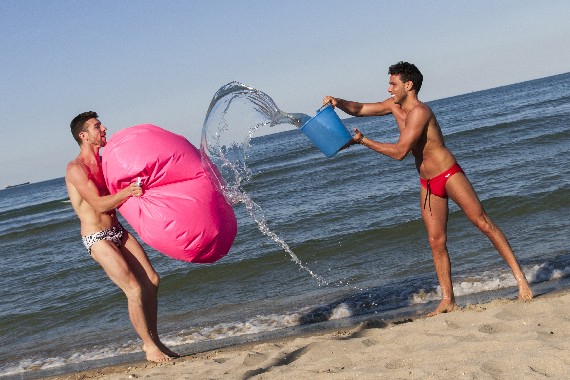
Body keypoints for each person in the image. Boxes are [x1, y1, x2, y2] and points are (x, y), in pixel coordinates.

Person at [323, 61, 533, 316]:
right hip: (428, 182)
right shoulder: (393, 106)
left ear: (408, 85)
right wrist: (337, 102)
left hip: (448, 174)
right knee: (436, 241)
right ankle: (448, 300)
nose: (389, 88)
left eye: (393, 83)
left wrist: (363, 141)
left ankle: (521, 280)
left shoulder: (421, 112)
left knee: (483, 223)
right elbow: (360, 109)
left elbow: (400, 152)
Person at [65, 111, 178, 362]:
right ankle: (149, 347)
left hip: (117, 231)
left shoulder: (106, 163)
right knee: (134, 289)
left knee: (152, 280)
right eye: (97, 126)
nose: (104, 128)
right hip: (97, 238)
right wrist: (129, 191)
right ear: (84, 136)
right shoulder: (76, 169)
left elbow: (128, 182)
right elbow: (99, 203)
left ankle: (156, 341)